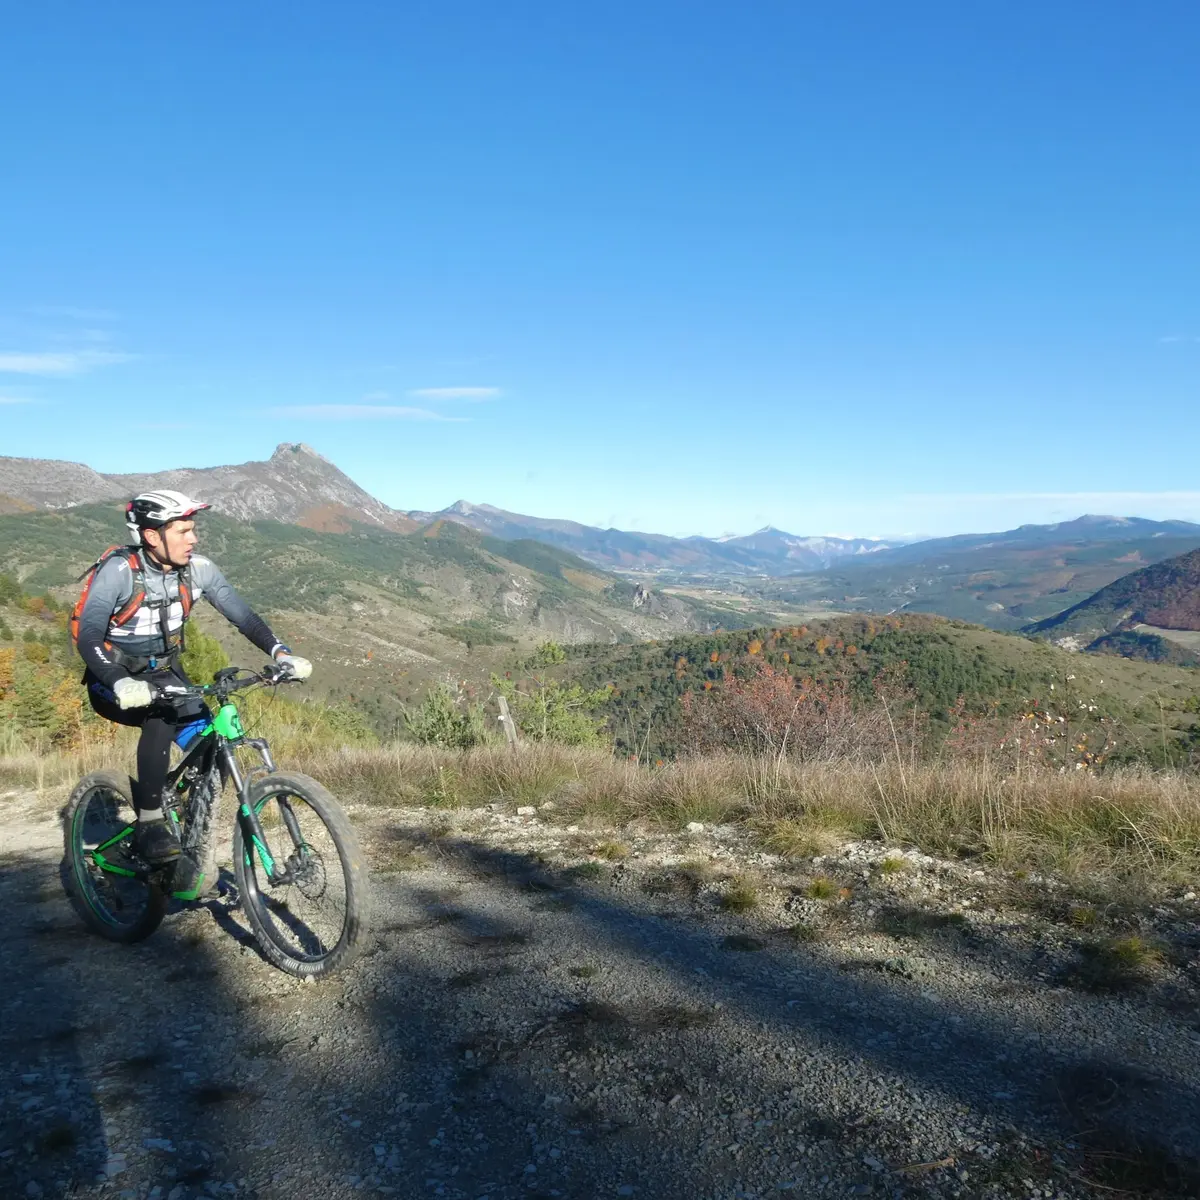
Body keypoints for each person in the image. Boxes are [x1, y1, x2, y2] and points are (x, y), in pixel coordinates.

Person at [75, 490, 311, 865]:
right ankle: (152, 825)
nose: (193, 538)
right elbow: (88, 635)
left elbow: (244, 618)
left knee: (209, 742)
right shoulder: (119, 573)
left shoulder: (199, 570)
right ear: (152, 536)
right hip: (113, 679)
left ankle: (182, 824)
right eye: (183, 531)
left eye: (193, 529)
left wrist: (280, 653)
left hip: (166, 672)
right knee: (161, 714)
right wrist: (119, 681)